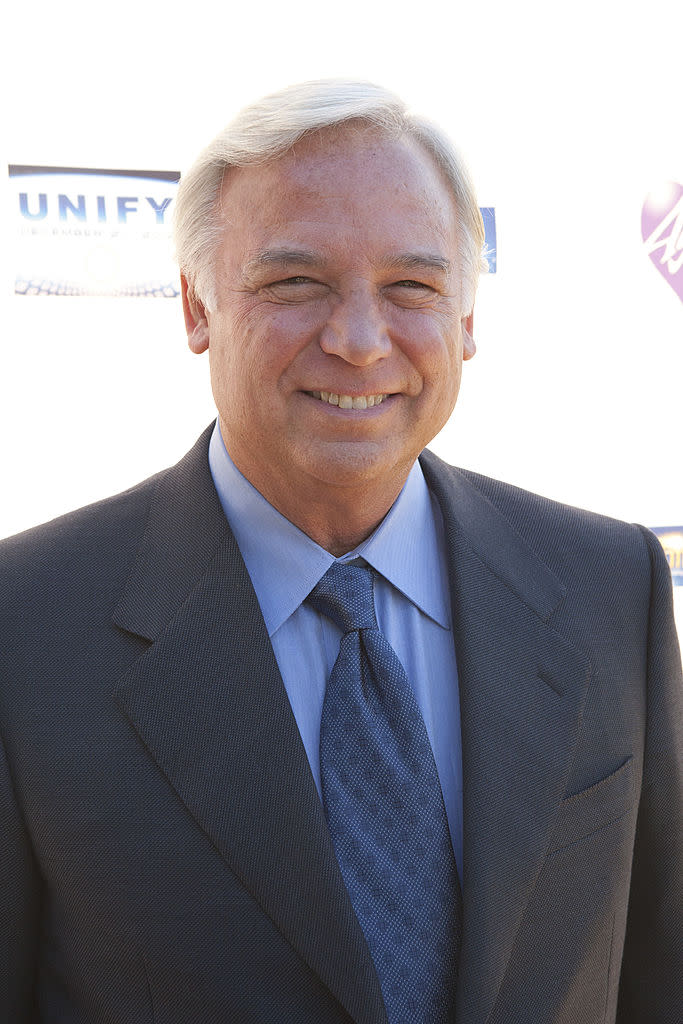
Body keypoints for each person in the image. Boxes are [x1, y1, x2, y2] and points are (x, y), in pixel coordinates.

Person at [0, 80, 680, 1024]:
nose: (359, 341)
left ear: (467, 317)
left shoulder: (611, 584)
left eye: (411, 287)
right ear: (196, 307)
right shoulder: (25, 628)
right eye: (295, 283)